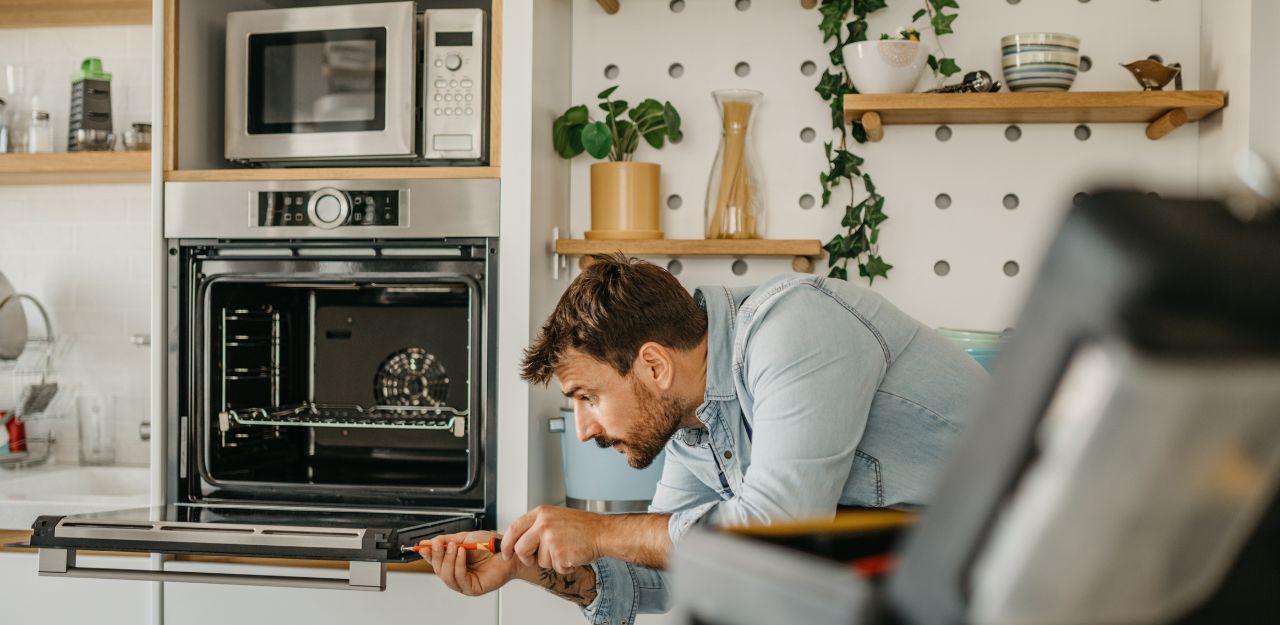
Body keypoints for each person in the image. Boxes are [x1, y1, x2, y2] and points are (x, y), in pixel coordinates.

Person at [421, 253, 987, 624]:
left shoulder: (797, 327)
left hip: (1011, 579)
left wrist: (598, 531)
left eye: (588, 397)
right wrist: (529, 568)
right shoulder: (692, 421)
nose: (586, 427)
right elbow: (667, 571)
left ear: (654, 366)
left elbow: (778, 532)